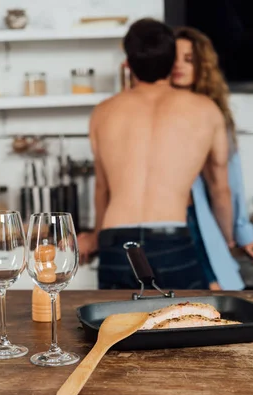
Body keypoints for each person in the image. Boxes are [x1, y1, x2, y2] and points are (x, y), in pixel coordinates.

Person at [77, 18, 234, 290]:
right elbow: (220, 189)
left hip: (116, 244)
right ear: (172, 59)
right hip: (171, 240)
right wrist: (227, 240)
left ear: (129, 62)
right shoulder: (206, 110)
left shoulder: (102, 113)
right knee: (187, 326)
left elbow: (102, 189)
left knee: (117, 330)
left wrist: (95, 235)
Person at [171, 27, 253, 290]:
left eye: (189, 59)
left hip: (196, 225)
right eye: (173, 58)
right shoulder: (158, 111)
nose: (178, 66)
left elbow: (228, 183)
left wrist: (242, 235)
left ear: (203, 66)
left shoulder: (211, 114)